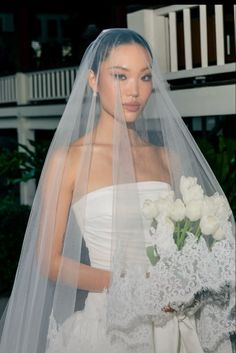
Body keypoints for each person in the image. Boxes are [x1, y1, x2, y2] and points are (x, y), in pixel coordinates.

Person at [0, 28, 235, 353]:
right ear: (94, 81)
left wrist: (185, 280)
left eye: (144, 77)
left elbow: (190, 244)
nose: (134, 91)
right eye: (120, 76)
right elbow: (49, 261)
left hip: (175, 326)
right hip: (109, 325)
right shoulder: (67, 160)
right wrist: (132, 287)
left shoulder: (168, 158)